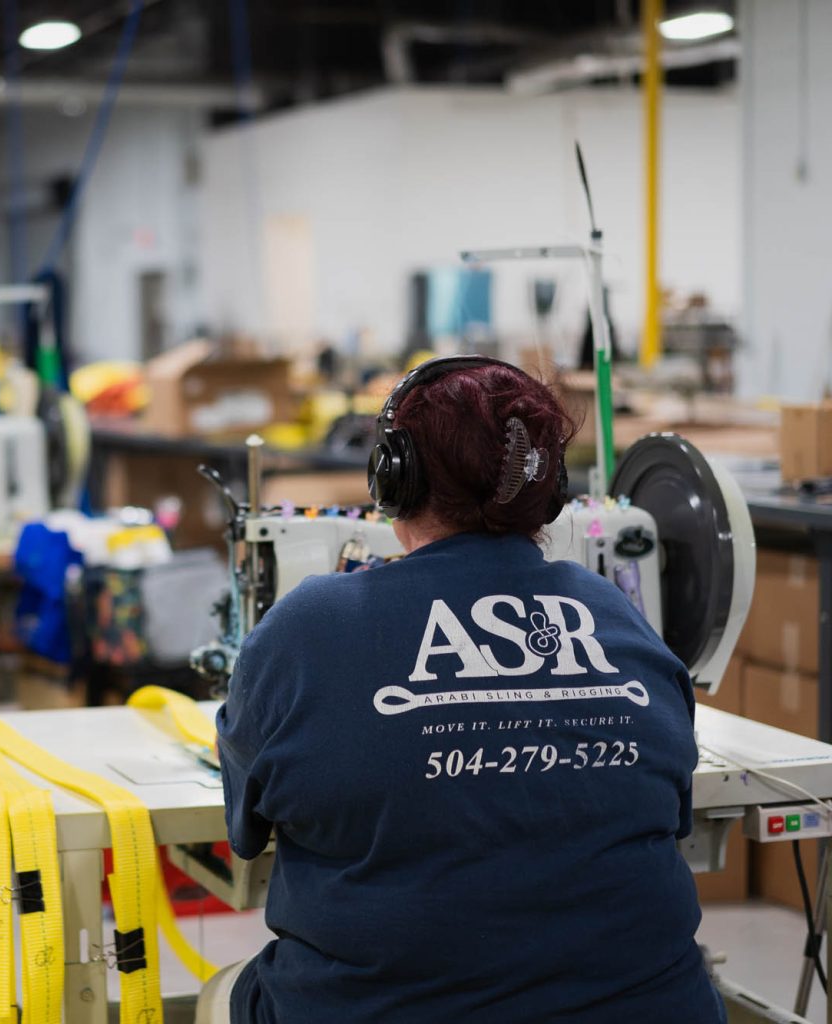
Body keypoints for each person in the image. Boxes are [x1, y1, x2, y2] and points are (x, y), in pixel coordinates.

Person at [209, 356, 721, 1023]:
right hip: (649, 1009)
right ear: (549, 488)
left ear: (392, 477)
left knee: (222, 991)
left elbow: (245, 831)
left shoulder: (308, 629)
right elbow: (670, 812)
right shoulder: (617, 615)